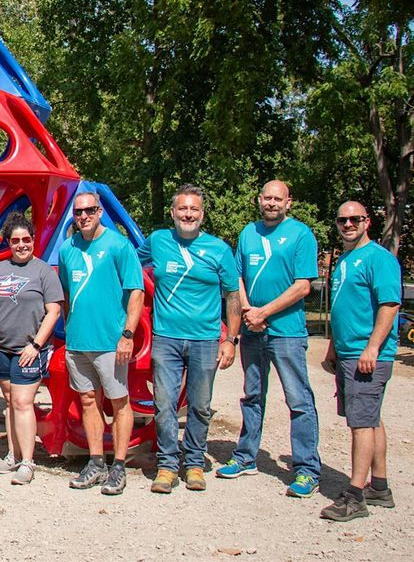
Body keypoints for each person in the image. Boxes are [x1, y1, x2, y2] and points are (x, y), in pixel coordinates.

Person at [217, 180, 322, 499]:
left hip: (286, 332)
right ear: (259, 200)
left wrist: (265, 312)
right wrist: (248, 309)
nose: (272, 203)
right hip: (251, 330)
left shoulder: (301, 234)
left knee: (298, 399)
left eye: (278, 199)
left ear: (289, 202)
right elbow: (236, 276)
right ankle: (246, 456)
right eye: (267, 198)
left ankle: (307, 469)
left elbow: (303, 285)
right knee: (252, 395)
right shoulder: (249, 233)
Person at [137, 185, 241, 494]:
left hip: (205, 339)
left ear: (202, 214)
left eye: (193, 209)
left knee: (199, 405)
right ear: (172, 213)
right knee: (164, 403)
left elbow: (233, 296)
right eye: (182, 209)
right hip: (166, 337)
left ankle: (194, 463)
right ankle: (168, 465)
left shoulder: (219, 249)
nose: (188, 214)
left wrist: (230, 340)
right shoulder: (157, 241)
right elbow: (130, 265)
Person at [58, 192, 144, 495]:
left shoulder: (119, 246)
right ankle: (96, 462)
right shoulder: (67, 249)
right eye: (79, 212)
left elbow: (136, 292)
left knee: (119, 402)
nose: (84, 216)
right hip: (79, 342)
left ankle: (118, 466)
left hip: (111, 342)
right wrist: (70, 330)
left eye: (90, 210)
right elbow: (67, 295)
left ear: (99, 211)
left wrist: (127, 335)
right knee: (88, 401)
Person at [319, 202, 400, 522]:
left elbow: (390, 305)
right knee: (372, 417)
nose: (348, 224)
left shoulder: (379, 258)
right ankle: (379, 487)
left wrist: (372, 349)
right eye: (342, 220)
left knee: (361, 424)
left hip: (366, 355)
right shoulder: (345, 259)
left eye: (355, 219)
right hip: (348, 351)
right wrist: (333, 347)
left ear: (368, 222)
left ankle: (354, 496)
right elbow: (343, 308)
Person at [0, 215, 63, 484]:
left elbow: (54, 311)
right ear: (8, 242)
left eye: (26, 240)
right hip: (1, 347)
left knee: (22, 401)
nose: (21, 245)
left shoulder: (42, 271)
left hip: (30, 349)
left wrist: (36, 344)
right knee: (9, 401)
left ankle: (28, 461)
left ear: (33, 241)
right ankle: (13, 454)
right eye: (15, 240)